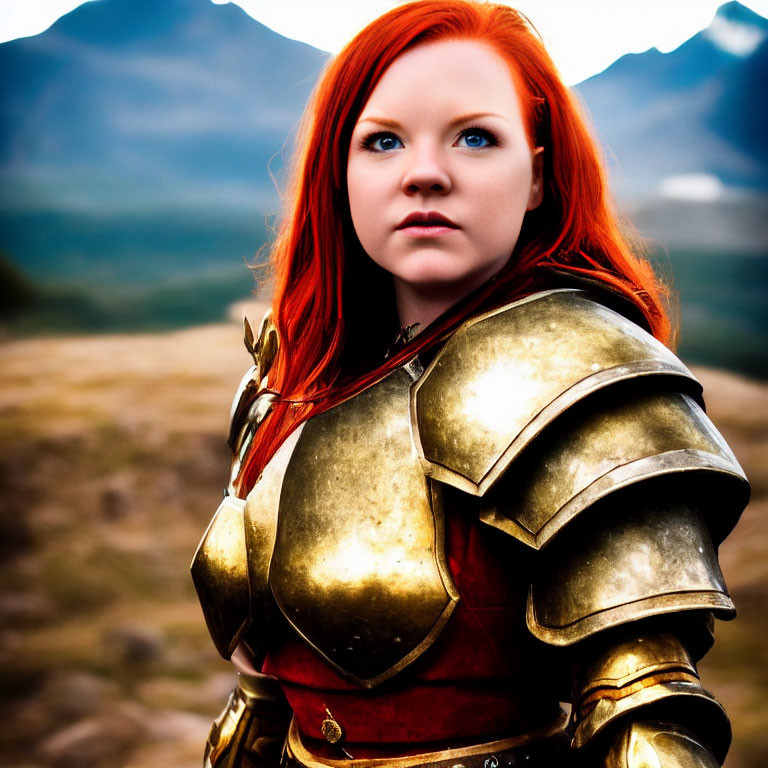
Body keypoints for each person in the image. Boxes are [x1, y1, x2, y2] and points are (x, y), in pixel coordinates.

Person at [191, 2, 749, 766]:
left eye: (476, 137)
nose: (425, 172)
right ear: (341, 173)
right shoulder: (294, 379)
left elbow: (647, 715)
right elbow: (263, 690)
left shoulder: (584, 381)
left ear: (537, 177)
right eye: (383, 140)